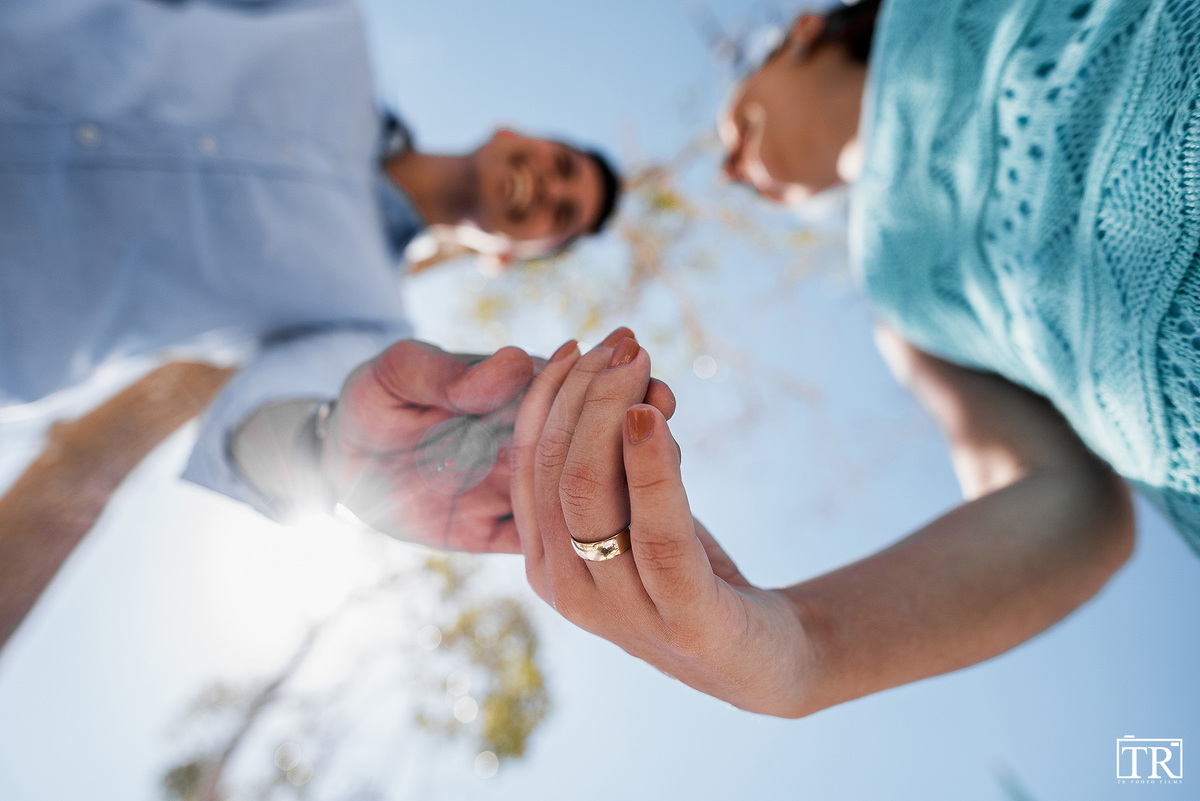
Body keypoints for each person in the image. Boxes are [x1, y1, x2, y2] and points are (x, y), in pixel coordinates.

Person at [509, 0, 1198, 717]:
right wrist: (805, 647)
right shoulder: (898, 292)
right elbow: (1065, 505)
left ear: (802, 33)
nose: (730, 166)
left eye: (734, 117)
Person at [0, 0, 621, 538]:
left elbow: (286, 421)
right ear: (511, 131)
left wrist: (336, 454)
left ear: (503, 258)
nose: (546, 187)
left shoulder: (368, 325)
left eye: (560, 216)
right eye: (561, 164)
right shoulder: (331, 26)